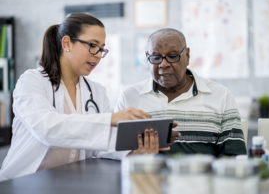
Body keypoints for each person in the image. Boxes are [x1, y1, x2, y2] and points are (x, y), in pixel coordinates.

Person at [0, 14, 177, 181]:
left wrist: (136, 150)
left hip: (70, 182)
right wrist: (110, 119)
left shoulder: (96, 91)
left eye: (101, 49)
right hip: (23, 181)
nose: (98, 55)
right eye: (92, 45)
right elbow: (47, 129)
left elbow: (101, 146)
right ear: (67, 43)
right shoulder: (32, 81)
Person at [115, 28, 247, 157]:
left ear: (187, 56)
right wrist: (137, 153)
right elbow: (114, 154)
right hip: (147, 177)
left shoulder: (221, 96)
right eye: (155, 57)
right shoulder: (129, 97)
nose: (163, 64)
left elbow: (233, 157)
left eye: (172, 56)